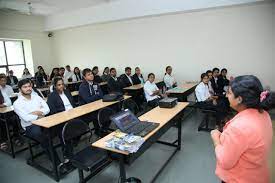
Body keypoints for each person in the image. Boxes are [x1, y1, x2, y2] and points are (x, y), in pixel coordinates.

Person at [211, 75, 273, 183]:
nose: (226, 95)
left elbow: (225, 161)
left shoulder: (240, 127)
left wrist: (216, 138)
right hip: (257, 173)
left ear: (239, 99)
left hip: (240, 178)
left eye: (229, 93)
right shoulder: (264, 114)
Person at [13, 79, 63, 169]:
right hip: (30, 126)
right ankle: (58, 164)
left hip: (43, 121)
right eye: (25, 87)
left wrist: (34, 113)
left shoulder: (36, 97)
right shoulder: (17, 103)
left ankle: (67, 154)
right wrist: (39, 114)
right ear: (20, 89)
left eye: (29, 86)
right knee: (44, 138)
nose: (28, 88)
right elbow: (26, 118)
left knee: (61, 126)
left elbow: (47, 109)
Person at [47, 77, 82, 161]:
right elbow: (53, 111)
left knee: (83, 123)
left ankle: (73, 142)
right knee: (66, 132)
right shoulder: (52, 96)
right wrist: (65, 116)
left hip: (72, 114)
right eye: (59, 85)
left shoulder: (67, 92)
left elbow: (72, 104)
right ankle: (67, 152)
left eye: (62, 84)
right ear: (55, 86)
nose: (61, 86)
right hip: (62, 118)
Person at [78, 68, 103, 135]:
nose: (91, 75)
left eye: (91, 74)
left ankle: (102, 130)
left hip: (96, 106)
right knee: (97, 115)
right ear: (84, 77)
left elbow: (101, 95)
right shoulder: (82, 86)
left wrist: (96, 96)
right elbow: (88, 100)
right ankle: (98, 131)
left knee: (107, 112)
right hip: (86, 109)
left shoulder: (95, 84)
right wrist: (96, 95)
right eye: (88, 75)